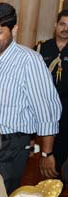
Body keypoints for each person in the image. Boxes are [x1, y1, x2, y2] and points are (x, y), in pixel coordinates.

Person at [0, 3, 62, 194]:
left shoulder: (28, 61)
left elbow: (46, 109)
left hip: (10, 146)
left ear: (14, 28)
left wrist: (47, 153)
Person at [36, 10, 68, 178]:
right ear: (56, 25)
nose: (65, 28)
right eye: (62, 24)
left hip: (66, 114)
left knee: (61, 162)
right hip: (43, 110)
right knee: (39, 163)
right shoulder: (42, 48)